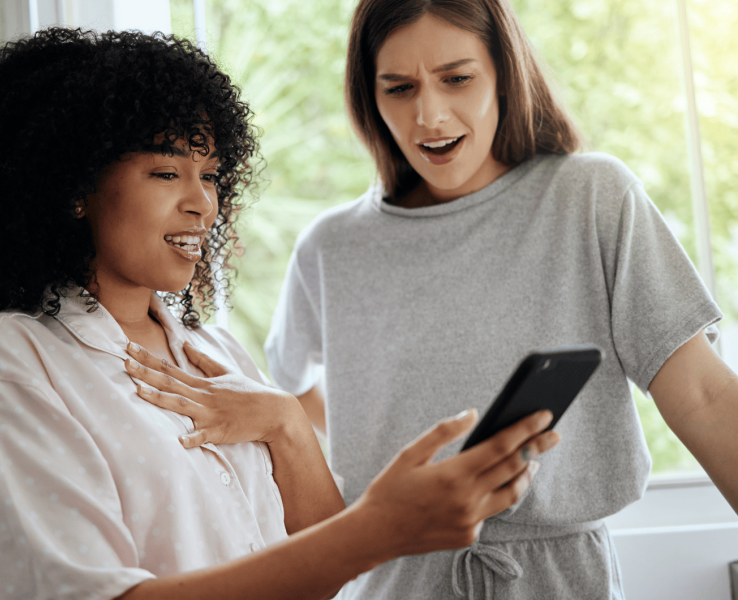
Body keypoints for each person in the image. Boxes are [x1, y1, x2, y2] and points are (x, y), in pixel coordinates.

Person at [0, 27, 560, 600]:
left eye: (210, 176)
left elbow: (326, 568)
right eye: (166, 172)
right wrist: (377, 528)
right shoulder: (4, 360)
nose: (201, 204)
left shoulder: (216, 354)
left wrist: (287, 423)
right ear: (74, 188)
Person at [264, 0, 738, 598]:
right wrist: (394, 468)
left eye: (457, 78)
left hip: (559, 580)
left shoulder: (591, 198)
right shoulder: (331, 247)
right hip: (391, 582)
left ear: (503, 75)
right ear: (370, 98)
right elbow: (290, 390)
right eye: (399, 87)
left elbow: (704, 394)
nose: (429, 115)